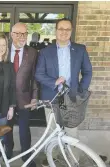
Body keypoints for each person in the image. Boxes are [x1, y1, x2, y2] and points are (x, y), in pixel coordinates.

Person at [35, 18, 92, 167]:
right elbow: (38, 74)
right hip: (52, 97)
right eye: (61, 29)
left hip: (71, 98)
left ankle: (72, 161)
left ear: (71, 32)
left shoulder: (80, 49)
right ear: (56, 31)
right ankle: (52, 159)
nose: (64, 32)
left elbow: (87, 72)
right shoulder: (45, 52)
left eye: (67, 29)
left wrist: (81, 91)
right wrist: (54, 82)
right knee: (53, 132)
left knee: (71, 132)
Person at [4, 22, 38, 166]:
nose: (21, 37)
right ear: (11, 35)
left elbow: (35, 76)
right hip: (5, 99)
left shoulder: (33, 53)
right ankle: (8, 151)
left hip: (25, 98)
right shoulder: (3, 50)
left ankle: (26, 155)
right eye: (17, 33)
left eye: (24, 33)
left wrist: (35, 97)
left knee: (25, 130)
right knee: (6, 128)